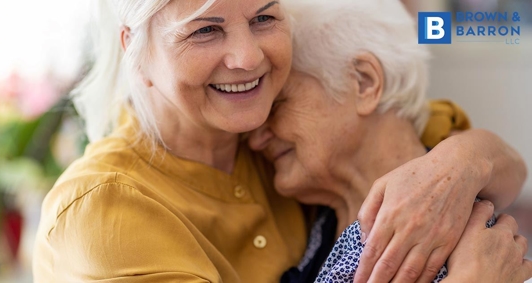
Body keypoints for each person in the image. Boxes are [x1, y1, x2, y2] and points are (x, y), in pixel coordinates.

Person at [33, 0, 527, 282]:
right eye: (205, 30)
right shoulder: (104, 212)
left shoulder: (260, 131)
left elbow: (463, 148)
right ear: (135, 50)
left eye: (264, 17)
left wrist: (465, 162)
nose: (248, 60)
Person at [248, 0, 531, 282]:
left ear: (364, 81)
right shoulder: (321, 226)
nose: (256, 139)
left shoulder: (464, 235)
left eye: (277, 105)